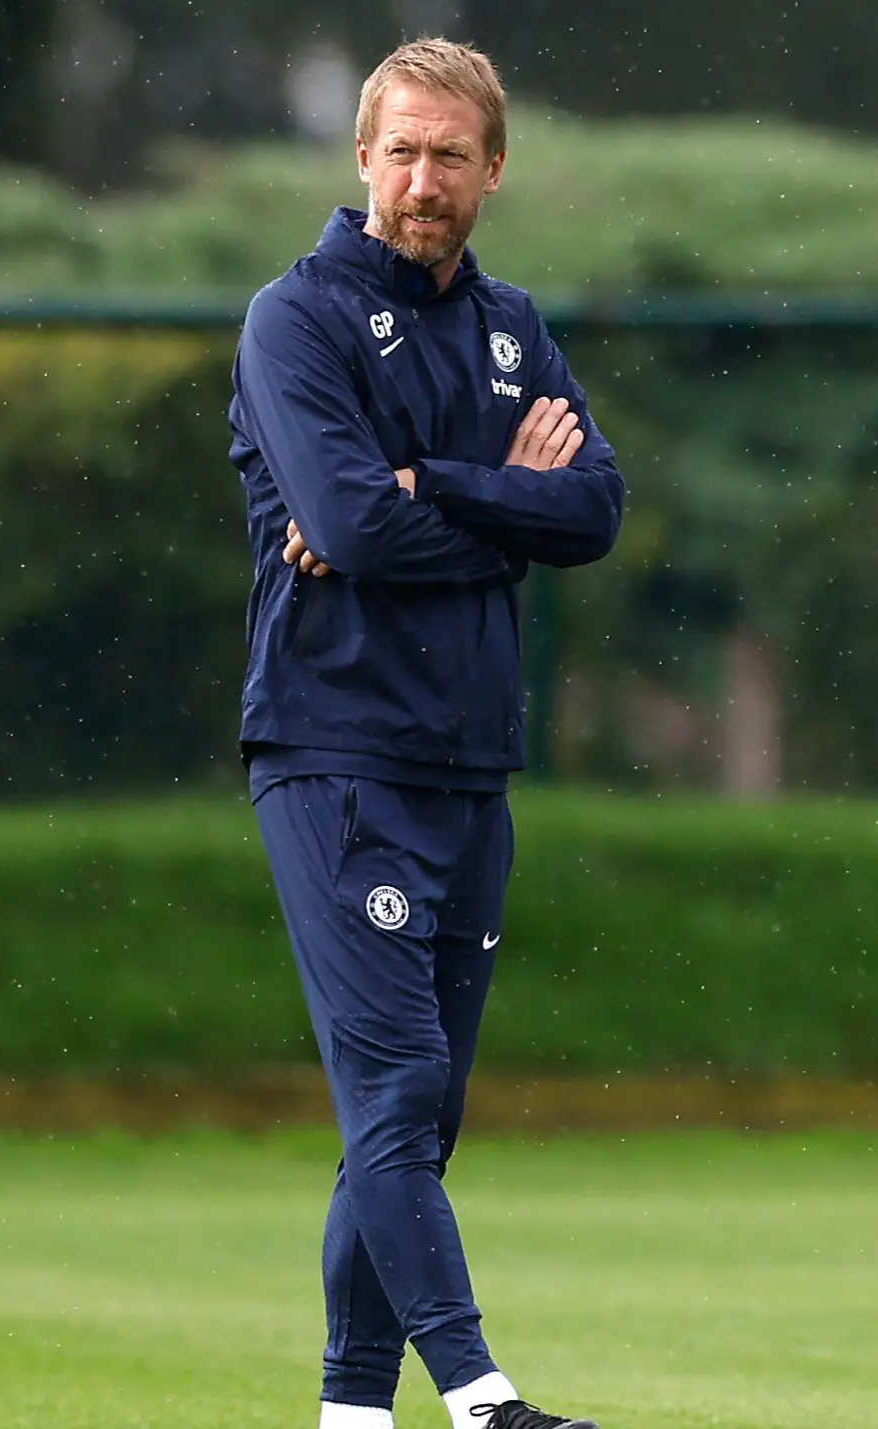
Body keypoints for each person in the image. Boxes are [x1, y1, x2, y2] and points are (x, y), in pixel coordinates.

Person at [225, 37, 625, 1429]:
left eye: (451, 155)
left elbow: (594, 511)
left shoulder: (513, 328)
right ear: (361, 158)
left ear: (493, 168)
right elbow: (341, 526)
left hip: (469, 765)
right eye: (400, 150)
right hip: (337, 755)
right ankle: (480, 1396)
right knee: (393, 1086)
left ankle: (349, 1415)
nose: (422, 179)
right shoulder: (298, 319)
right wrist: (495, 506)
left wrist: (432, 489)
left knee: (418, 1118)